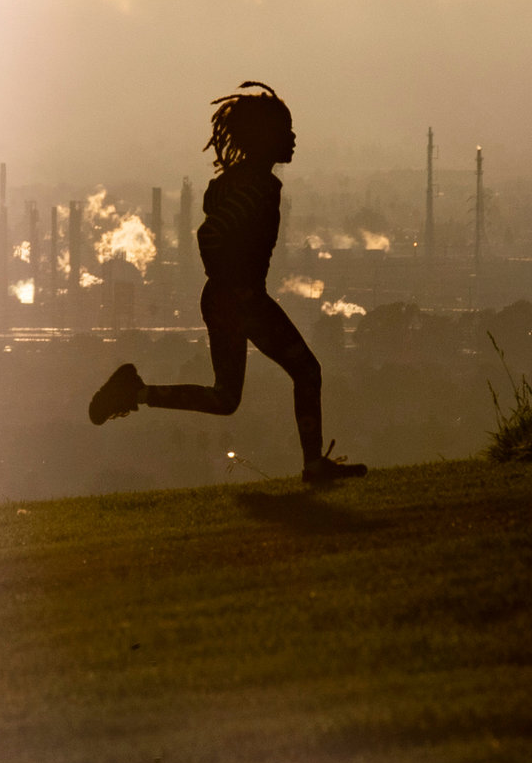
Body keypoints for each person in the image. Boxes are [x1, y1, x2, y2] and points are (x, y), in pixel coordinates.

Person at [87, 82, 366, 484]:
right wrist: (233, 280)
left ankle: (135, 392)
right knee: (306, 370)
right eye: (285, 132)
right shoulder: (257, 186)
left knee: (225, 398)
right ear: (264, 138)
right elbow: (210, 234)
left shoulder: (240, 182)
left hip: (225, 297)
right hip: (242, 298)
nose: (293, 139)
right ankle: (313, 465)